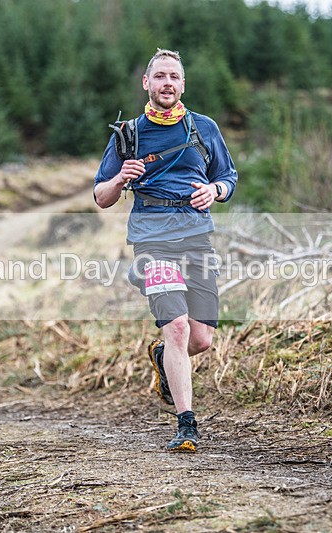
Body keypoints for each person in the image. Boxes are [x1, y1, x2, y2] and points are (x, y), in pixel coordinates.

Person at [94, 49, 238, 452]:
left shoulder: (203, 127)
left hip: (197, 238)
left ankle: (162, 359)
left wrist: (216, 190)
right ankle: (186, 425)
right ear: (147, 83)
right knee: (176, 327)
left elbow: (227, 176)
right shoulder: (129, 134)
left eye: (174, 76)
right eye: (160, 76)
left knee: (201, 339)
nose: (167, 83)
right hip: (152, 241)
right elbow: (101, 196)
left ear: (183, 84)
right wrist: (122, 178)